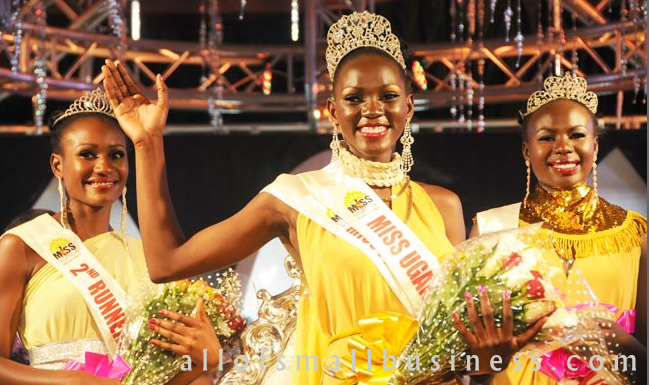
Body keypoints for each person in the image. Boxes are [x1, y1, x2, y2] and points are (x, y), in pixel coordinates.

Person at [101, 11, 546, 385]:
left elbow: (464, 348)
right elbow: (166, 263)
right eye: (354, 98)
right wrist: (146, 143)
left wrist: (489, 362)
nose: (372, 110)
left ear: (408, 107)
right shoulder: (295, 199)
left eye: (388, 96)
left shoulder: (444, 205)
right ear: (333, 111)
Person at [0, 89, 222, 385]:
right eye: (87, 154)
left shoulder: (151, 259)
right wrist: (74, 381)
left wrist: (207, 360)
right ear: (58, 165)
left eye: (116, 154)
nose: (104, 167)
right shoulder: (24, 245)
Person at [470, 73, 647, 384]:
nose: (563, 147)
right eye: (547, 137)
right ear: (527, 151)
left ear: (595, 144)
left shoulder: (633, 233)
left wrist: (617, 342)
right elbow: (471, 365)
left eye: (576, 135)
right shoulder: (491, 230)